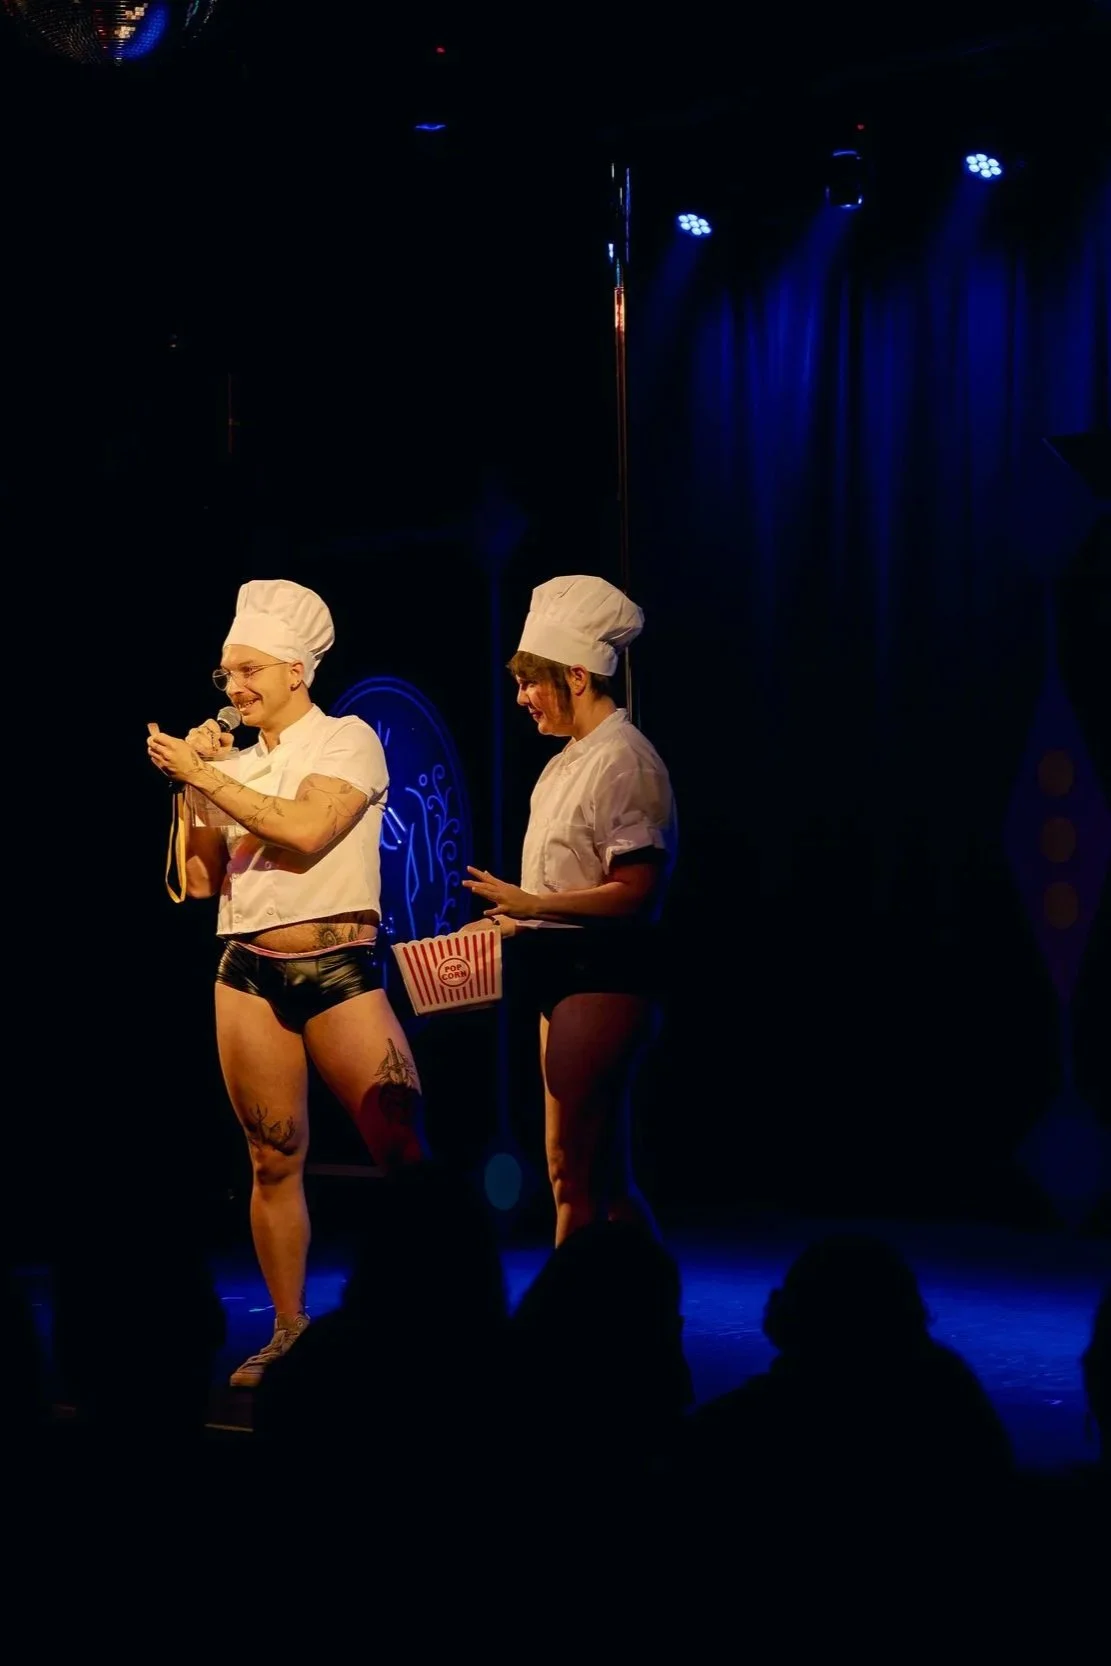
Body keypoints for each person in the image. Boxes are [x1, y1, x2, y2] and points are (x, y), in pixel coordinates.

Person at [146, 578, 426, 1389]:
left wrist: (210, 777)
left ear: (296, 670)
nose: (234, 688)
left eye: (249, 670)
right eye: (226, 673)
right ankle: (289, 1327)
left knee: (401, 1149)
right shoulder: (233, 764)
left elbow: (304, 830)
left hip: (338, 971)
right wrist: (192, 781)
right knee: (272, 1157)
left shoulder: (347, 740)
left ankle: (430, 1320)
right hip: (246, 973)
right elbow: (202, 883)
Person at [463, 574, 676, 1245]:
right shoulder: (566, 763)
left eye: (531, 682)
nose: (521, 698)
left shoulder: (624, 760)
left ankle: (575, 1304)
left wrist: (534, 903)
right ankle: (638, 1296)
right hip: (563, 973)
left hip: (604, 974)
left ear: (577, 677)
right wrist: (516, 920)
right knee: (591, 1174)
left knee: (577, 1173)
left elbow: (637, 890)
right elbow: (567, 884)